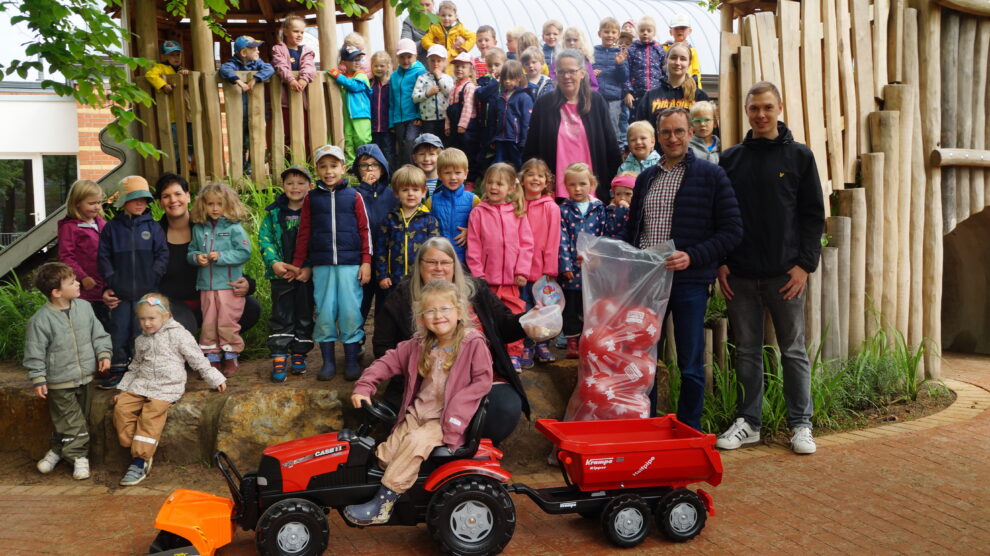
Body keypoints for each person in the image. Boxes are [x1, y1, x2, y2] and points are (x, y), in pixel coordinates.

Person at [716, 81, 825, 455]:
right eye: (754, 109)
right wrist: (722, 262)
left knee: (793, 351)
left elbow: (813, 216)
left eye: (767, 108)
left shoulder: (799, 157)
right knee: (745, 351)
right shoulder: (730, 159)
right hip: (741, 276)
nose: (760, 115)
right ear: (746, 112)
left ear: (779, 108)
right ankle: (750, 423)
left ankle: (801, 424)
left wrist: (804, 266)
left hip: (785, 276)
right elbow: (722, 217)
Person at [623, 107, 742, 430]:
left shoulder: (711, 175)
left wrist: (693, 255)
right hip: (648, 283)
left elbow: (732, 230)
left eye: (678, 131)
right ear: (658, 137)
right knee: (644, 361)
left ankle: (689, 429)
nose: (672, 138)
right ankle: (645, 426)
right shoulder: (646, 177)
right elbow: (634, 230)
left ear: (691, 133)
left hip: (689, 282)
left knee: (690, 363)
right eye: (666, 133)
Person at [346, 279, 492, 525]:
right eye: (431, 310)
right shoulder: (420, 343)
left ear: (459, 312)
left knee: (414, 442)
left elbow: (483, 381)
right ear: (422, 317)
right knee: (386, 454)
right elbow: (387, 361)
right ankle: (391, 492)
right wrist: (365, 386)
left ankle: (383, 504)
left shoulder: (472, 344)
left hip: (445, 419)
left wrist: (456, 410)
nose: (438, 315)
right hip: (418, 413)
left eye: (445, 308)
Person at [373, 237, 531, 445]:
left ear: (454, 265)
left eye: (445, 262)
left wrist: (529, 321)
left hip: (480, 378)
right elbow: (383, 346)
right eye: (431, 262)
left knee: (504, 408)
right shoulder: (401, 298)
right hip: (427, 382)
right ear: (419, 266)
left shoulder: (476, 290)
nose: (439, 268)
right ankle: (434, 456)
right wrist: (416, 368)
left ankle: (470, 452)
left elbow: (504, 327)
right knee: (397, 421)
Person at [113, 293, 226, 486]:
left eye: (151, 318)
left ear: (165, 316)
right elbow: (135, 366)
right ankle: (135, 444)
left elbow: (197, 358)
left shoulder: (179, 334)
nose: (147, 323)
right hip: (142, 383)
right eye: (142, 319)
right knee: (121, 408)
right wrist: (123, 388)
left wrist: (214, 378)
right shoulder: (141, 340)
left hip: (167, 386)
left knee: (151, 415)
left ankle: (140, 460)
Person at [24, 262, 111, 481]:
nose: (78, 283)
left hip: (85, 378)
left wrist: (103, 354)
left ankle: (56, 450)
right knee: (74, 422)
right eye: (71, 282)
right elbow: (34, 351)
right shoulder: (40, 320)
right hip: (59, 381)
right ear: (56, 292)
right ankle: (79, 457)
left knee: (71, 420)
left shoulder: (84, 307)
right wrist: (38, 378)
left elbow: (98, 334)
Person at [293, 145, 373, 381]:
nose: (329, 171)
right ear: (316, 169)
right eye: (323, 166)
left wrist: (366, 261)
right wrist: (299, 263)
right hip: (322, 265)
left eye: (334, 166)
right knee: (325, 311)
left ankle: (350, 359)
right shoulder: (311, 198)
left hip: (350, 265)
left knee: (350, 312)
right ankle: (327, 361)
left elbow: (364, 229)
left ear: (343, 168)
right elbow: (304, 232)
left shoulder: (354, 196)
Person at [151, 174, 260, 339]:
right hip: (175, 303)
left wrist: (248, 284)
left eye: (178, 194)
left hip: (213, 294)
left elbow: (232, 256)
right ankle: (192, 348)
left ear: (188, 196)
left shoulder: (207, 227)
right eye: (166, 196)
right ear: (160, 202)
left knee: (251, 307)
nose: (173, 200)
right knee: (184, 325)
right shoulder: (155, 233)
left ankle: (220, 345)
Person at [97, 176, 168, 389]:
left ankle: (144, 372)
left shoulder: (154, 227)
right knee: (119, 329)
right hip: (120, 292)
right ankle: (118, 370)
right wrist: (112, 281)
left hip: (146, 293)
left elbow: (162, 255)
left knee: (143, 331)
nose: (140, 203)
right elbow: (104, 257)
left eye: (144, 200)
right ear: (123, 201)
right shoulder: (111, 228)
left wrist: (153, 277)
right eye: (135, 199)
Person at [524, 49, 621, 201]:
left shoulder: (596, 101)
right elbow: (532, 147)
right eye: (561, 72)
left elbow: (610, 143)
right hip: (555, 192)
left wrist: (615, 182)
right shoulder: (544, 104)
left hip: (592, 192)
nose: (566, 76)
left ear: (582, 73)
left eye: (572, 71)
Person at [467, 163, 534, 372]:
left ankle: (513, 354)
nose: (494, 187)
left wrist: (522, 271)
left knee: (515, 314)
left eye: (499, 183)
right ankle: (486, 355)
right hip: (488, 281)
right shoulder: (478, 213)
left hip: (512, 280)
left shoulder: (518, 212)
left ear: (511, 188)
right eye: (490, 182)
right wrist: (478, 275)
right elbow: (474, 245)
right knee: (483, 317)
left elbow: (526, 244)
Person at [558, 163, 627, 358]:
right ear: (565, 186)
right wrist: (565, 265)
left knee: (590, 306)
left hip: (594, 269)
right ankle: (572, 342)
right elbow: (561, 239)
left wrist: (620, 211)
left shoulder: (599, 208)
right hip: (573, 268)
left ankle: (588, 341)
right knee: (571, 306)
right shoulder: (563, 209)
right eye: (572, 185)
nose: (577, 189)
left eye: (582, 184)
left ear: (591, 184)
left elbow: (607, 234)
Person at [187, 182, 252, 377]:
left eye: (219, 204)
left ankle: (231, 357)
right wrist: (196, 257)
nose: (215, 208)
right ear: (203, 206)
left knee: (227, 322)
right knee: (209, 323)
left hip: (229, 285)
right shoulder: (199, 228)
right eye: (210, 204)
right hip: (207, 286)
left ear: (228, 205)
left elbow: (244, 252)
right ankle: (212, 359)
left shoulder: (234, 228)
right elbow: (190, 251)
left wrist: (221, 257)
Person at [259, 165, 316, 382]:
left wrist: (308, 268)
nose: (295, 187)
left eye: (301, 183)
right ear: (282, 186)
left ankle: (299, 353)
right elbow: (265, 238)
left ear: (309, 187)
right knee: (282, 313)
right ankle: (280, 354)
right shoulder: (273, 213)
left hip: (304, 274)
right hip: (281, 275)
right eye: (290, 183)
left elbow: (316, 241)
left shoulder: (313, 213)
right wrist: (274, 263)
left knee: (304, 312)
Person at [519, 158, 560, 366]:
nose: (536, 178)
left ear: (546, 182)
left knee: (543, 308)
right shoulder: (515, 204)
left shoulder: (551, 207)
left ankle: (542, 344)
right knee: (525, 307)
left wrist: (550, 269)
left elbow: (554, 240)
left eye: (540, 175)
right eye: (531, 174)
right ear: (522, 179)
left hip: (543, 270)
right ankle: (526, 345)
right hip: (520, 270)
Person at [376, 165, 441, 293]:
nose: (410, 194)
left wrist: (431, 276)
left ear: (423, 192)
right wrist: (382, 275)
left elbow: (435, 251)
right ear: (396, 193)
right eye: (405, 190)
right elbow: (381, 250)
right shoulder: (390, 219)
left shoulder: (429, 220)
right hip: (393, 281)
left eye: (415, 189)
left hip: (421, 281)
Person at [354, 144, 397, 337]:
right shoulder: (353, 194)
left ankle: (382, 347)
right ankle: (356, 343)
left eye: (374, 164)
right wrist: (364, 188)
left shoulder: (392, 195)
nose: (370, 169)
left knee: (385, 306)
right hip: (361, 259)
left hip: (386, 262)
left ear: (383, 168)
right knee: (359, 306)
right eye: (364, 165)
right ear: (357, 169)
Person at [219, 36, 275, 171]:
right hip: (240, 113)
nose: (258, 51)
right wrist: (239, 81)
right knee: (241, 141)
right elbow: (224, 69)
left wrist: (255, 79)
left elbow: (270, 68)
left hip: (256, 112)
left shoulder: (257, 64)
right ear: (244, 53)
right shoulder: (233, 64)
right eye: (254, 49)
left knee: (255, 139)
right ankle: (242, 166)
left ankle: (251, 165)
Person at [58, 179, 108, 327]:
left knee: (106, 329)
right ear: (77, 203)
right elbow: (66, 257)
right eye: (91, 203)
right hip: (85, 291)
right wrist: (83, 277)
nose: (97, 207)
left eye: (99, 202)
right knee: (87, 328)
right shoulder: (70, 227)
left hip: (105, 288)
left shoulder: (103, 224)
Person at [633, 42, 709, 124]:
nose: (677, 63)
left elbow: (709, 132)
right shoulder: (650, 97)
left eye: (683, 59)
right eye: (673, 58)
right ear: (666, 60)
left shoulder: (699, 97)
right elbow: (640, 131)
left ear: (689, 63)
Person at [271, 14, 316, 153]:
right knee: (287, 132)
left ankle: (307, 161)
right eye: (295, 31)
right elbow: (280, 65)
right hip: (284, 100)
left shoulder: (306, 50)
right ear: (285, 31)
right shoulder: (279, 49)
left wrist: (304, 78)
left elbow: (309, 66)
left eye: (302, 32)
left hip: (303, 100)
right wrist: (290, 79)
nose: (299, 35)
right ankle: (288, 162)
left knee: (306, 131)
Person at [425, 147, 478, 261]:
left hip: (465, 259)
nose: (453, 177)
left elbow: (483, 228)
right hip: (439, 258)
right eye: (447, 173)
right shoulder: (431, 201)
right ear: (439, 174)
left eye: (458, 172)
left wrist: (470, 232)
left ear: (466, 174)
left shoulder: (473, 200)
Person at [328, 45, 372, 165]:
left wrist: (338, 76)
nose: (357, 62)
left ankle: (365, 163)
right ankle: (351, 166)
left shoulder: (361, 76)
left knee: (362, 138)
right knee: (348, 139)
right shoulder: (343, 78)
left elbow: (354, 86)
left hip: (361, 114)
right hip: (346, 115)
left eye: (359, 59)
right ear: (344, 62)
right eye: (353, 59)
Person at [389, 38, 428, 166]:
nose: (405, 60)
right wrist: (391, 122)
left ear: (415, 56)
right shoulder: (394, 76)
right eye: (402, 57)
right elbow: (391, 99)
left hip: (413, 117)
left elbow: (422, 96)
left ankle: (414, 171)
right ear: (397, 57)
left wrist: (419, 115)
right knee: (401, 144)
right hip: (398, 118)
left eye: (409, 57)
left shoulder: (420, 72)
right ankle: (404, 174)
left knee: (410, 142)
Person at [593, 17, 630, 147]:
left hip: (614, 99)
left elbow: (624, 78)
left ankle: (614, 155)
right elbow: (585, 71)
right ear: (599, 34)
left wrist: (619, 65)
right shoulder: (593, 51)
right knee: (595, 128)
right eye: (606, 32)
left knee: (613, 129)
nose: (610, 35)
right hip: (596, 97)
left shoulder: (621, 53)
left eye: (613, 32)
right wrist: (591, 74)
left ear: (618, 35)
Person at [489, 60, 532, 169]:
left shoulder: (524, 97)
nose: (507, 81)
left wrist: (524, 141)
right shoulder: (499, 97)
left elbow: (526, 122)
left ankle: (517, 184)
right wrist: (493, 138)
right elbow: (494, 120)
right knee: (498, 165)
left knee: (517, 165)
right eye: (505, 78)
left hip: (515, 140)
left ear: (519, 78)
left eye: (511, 78)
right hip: (500, 139)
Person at [623, 16, 667, 116]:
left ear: (654, 33)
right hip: (637, 94)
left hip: (656, 94)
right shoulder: (632, 50)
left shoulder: (659, 50)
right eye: (642, 30)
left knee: (655, 121)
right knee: (637, 121)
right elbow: (626, 72)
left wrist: (664, 91)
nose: (645, 33)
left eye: (649, 30)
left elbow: (665, 72)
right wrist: (627, 92)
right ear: (638, 32)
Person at [412, 45, 454, 143]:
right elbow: (415, 98)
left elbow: (450, 94)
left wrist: (439, 78)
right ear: (428, 61)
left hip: (444, 119)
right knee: (430, 144)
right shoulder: (422, 78)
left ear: (444, 62)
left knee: (444, 144)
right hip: (428, 120)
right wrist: (427, 93)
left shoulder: (447, 78)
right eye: (432, 60)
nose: (435, 64)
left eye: (439, 61)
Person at [420, 0, 475, 71]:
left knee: (453, 76)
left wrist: (463, 47)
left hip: (453, 59)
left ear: (455, 17)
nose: (446, 18)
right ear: (438, 15)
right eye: (443, 15)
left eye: (450, 15)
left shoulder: (459, 28)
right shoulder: (435, 27)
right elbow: (425, 40)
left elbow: (472, 36)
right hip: (439, 59)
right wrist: (435, 47)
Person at [446, 52, 478, 168]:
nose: (459, 69)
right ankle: (457, 170)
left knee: (468, 149)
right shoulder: (453, 87)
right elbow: (448, 109)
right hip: (455, 124)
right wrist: (447, 125)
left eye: (463, 67)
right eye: (457, 66)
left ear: (470, 71)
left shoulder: (469, 87)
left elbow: (468, 107)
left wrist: (463, 125)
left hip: (466, 126)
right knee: (455, 149)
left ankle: (470, 176)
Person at [369, 51, 395, 169]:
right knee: (375, 153)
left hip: (387, 127)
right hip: (374, 127)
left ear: (388, 66)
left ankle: (390, 177)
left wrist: (392, 124)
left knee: (388, 152)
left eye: (382, 65)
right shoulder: (371, 84)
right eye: (376, 65)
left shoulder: (391, 84)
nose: (379, 68)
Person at [662, 13, 701, 88]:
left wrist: (697, 88)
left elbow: (696, 72)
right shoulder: (664, 48)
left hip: (687, 87)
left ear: (689, 31)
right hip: (668, 86)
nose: (679, 31)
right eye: (676, 28)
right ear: (670, 32)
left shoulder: (692, 51)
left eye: (683, 28)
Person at [400, 0, 433, 65]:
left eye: (427, 5)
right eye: (421, 5)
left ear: (433, 4)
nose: (424, 8)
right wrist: (426, 41)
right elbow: (406, 47)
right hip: (417, 65)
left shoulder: (440, 20)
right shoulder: (408, 22)